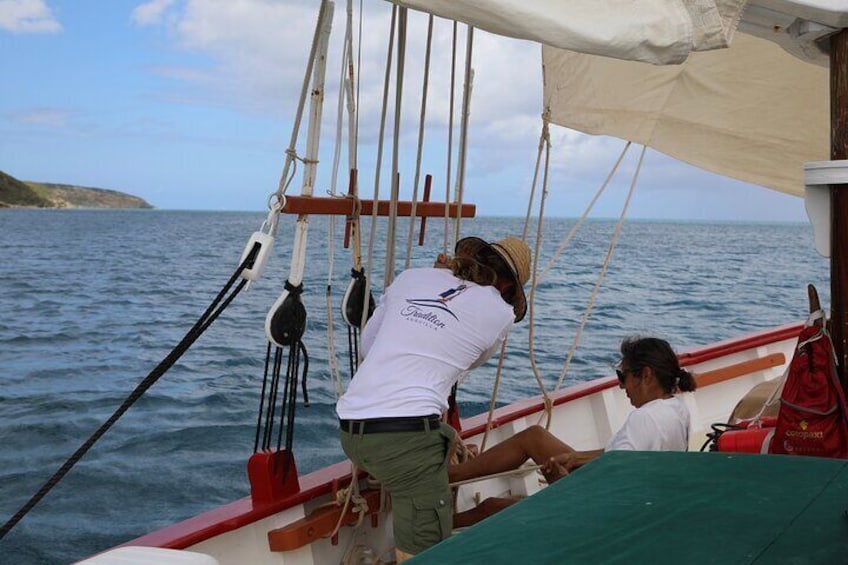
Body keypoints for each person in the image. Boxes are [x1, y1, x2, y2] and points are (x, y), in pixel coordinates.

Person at [336, 235, 532, 561]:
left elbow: (368, 346)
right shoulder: (500, 313)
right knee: (425, 555)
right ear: (510, 288)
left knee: (434, 446)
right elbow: (465, 361)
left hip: (352, 430)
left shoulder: (414, 276)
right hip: (403, 442)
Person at [448, 336, 697, 527]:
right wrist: (578, 458)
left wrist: (561, 481)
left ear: (646, 375)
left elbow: (603, 498)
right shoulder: (675, 409)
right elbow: (628, 458)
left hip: (604, 516)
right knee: (534, 437)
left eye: (623, 377)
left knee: (491, 507)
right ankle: (452, 476)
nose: (622, 387)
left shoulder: (644, 419)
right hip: (641, 497)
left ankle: (438, 525)